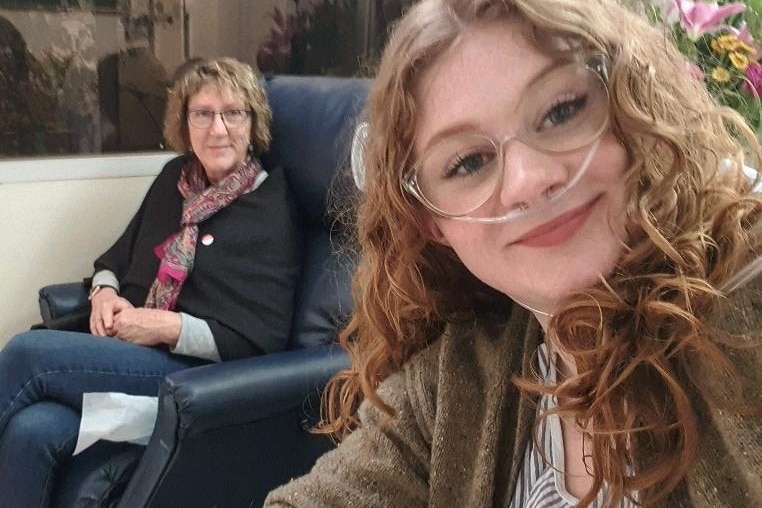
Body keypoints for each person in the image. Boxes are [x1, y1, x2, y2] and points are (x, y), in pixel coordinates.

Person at [264, 0, 762, 507]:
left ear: (631, 105)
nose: (529, 179)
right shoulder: (453, 384)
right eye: (468, 162)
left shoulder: (747, 308)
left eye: (561, 111)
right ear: (431, 222)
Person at [0, 57, 302, 507]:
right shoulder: (174, 181)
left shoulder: (271, 207)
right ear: (185, 122)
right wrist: (104, 292)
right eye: (202, 114)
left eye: (232, 113)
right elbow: (115, 259)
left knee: (28, 353)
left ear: (252, 122)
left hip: (192, 377)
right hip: (127, 349)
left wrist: (161, 326)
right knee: (33, 430)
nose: (217, 129)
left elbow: (262, 338)